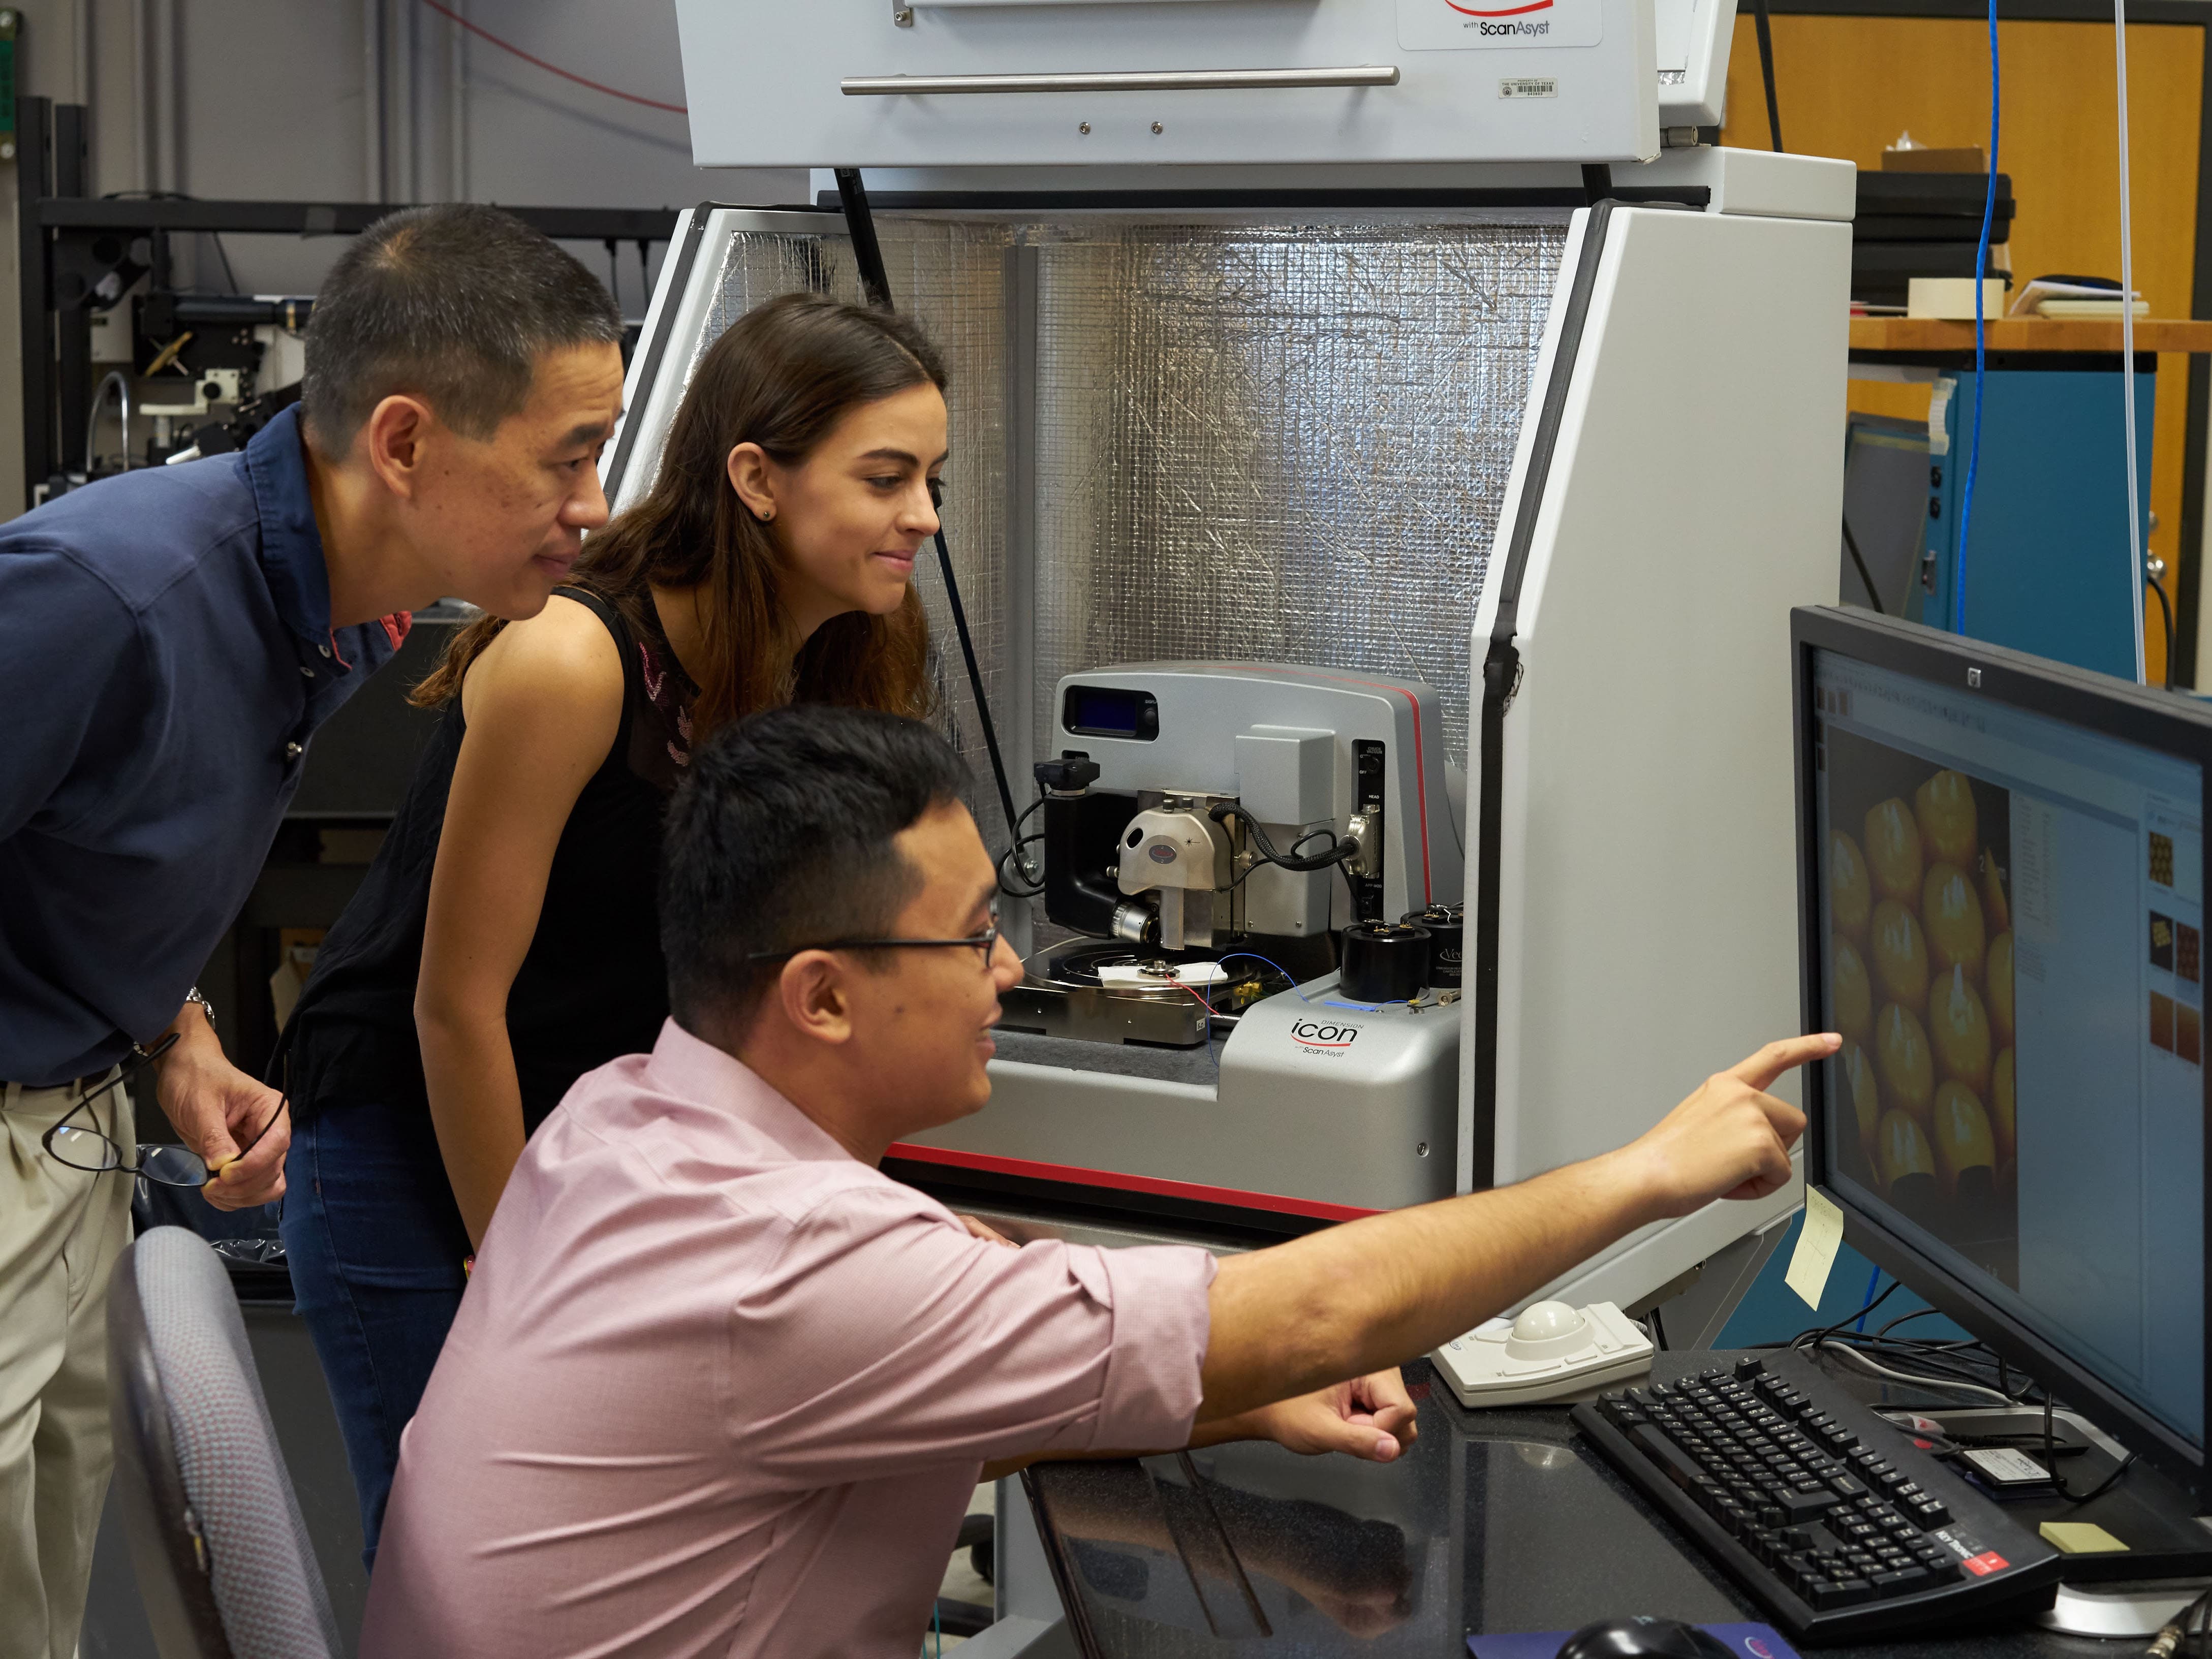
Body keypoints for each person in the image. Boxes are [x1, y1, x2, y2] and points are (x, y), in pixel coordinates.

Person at [361, 705, 1832, 1659]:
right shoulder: (794, 1261)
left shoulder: (620, 1119)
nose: (1007, 969)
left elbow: (826, 1416)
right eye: (966, 939)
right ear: (818, 997)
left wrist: (1225, 1397)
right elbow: (1315, 1306)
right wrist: (1649, 1172)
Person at [0, 201, 624, 1659]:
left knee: (33, 1585)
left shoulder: (350, 614)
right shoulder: (113, 592)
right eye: (568, 455)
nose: (593, 504)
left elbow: (65, 850)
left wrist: (174, 1031)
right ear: (403, 443)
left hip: (70, 1133)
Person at [276, 291, 945, 1562]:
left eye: (930, 477)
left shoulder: (828, 655)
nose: (924, 516)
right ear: (755, 477)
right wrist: (516, 1260)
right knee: (467, 1572)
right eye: (887, 477)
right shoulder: (574, 663)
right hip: (417, 1156)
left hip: (583, 1160)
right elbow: (451, 1004)